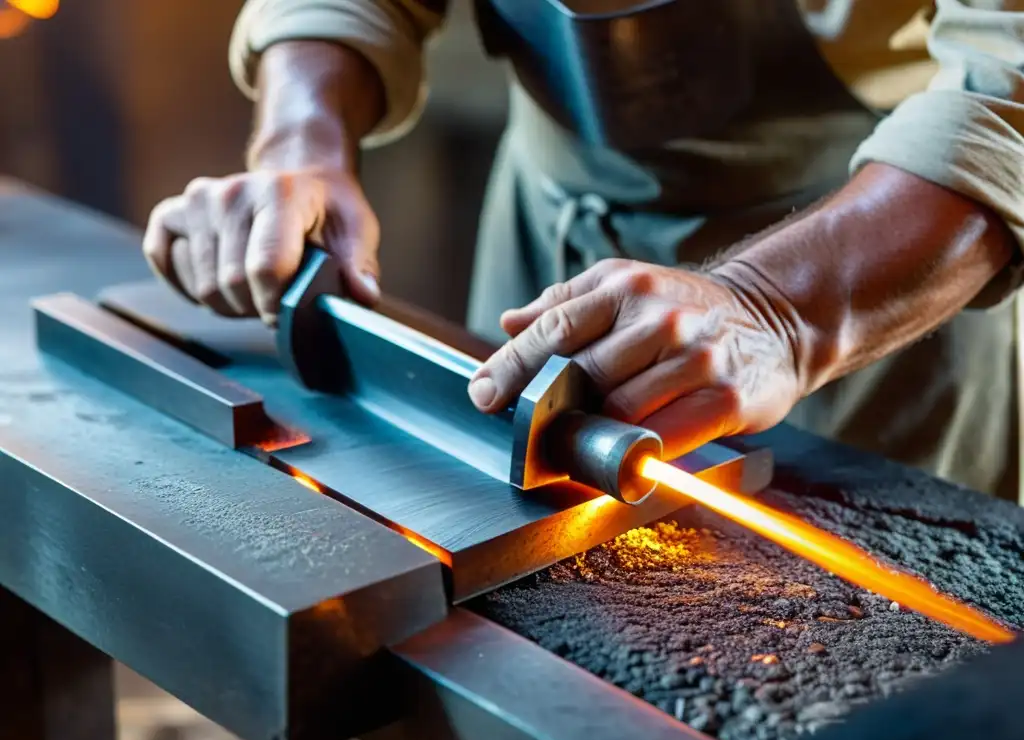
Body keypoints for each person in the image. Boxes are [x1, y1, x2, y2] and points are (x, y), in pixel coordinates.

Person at [143, 0, 1024, 500]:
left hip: (876, 257)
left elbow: (1009, 81)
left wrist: (776, 309)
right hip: (551, 231)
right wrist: (301, 139)